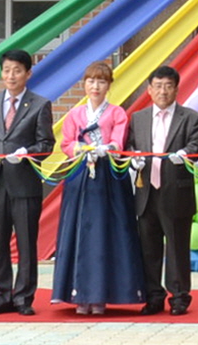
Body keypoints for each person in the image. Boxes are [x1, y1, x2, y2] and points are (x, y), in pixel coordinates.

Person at [52, 61, 143, 315]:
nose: (95, 86)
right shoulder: (74, 115)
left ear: (109, 85)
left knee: (106, 234)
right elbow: (67, 143)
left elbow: (118, 140)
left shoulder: (117, 113)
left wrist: (107, 148)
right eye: (91, 81)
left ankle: (103, 294)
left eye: (101, 81)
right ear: (84, 84)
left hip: (108, 178)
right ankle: (78, 294)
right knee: (78, 231)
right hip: (80, 175)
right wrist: (79, 150)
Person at [0, 48, 55, 316]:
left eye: (17, 71)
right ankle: (2, 295)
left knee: (25, 243)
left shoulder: (39, 104)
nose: (11, 76)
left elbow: (47, 144)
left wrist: (28, 153)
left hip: (24, 184)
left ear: (28, 74)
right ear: (1, 73)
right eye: (7, 70)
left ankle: (23, 297)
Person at [129, 65, 198, 316]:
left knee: (177, 248)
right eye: (158, 86)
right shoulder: (138, 118)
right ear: (149, 90)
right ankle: (153, 296)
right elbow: (130, 147)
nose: (163, 91)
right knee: (148, 248)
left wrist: (185, 154)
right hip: (146, 190)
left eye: (168, 86)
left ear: (176, 89)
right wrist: (134, 159)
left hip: (176, 191)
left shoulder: (191, 117)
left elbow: (196, 144)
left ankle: (180, 296)